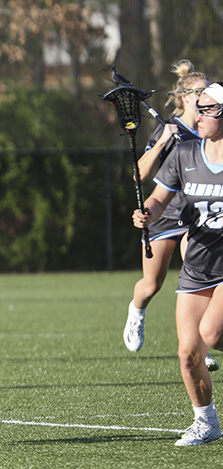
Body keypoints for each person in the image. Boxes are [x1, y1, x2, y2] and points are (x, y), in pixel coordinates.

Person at [132, 81, 223, 446]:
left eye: (207, 109)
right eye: (198, 108)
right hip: (199, 264)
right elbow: (157, 198)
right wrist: (147, 214)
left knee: (212, 334)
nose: (199, 115)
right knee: (188, 354)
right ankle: (207, 422)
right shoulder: (185, 153)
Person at [123, 59, 219, 371]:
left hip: (195, 215)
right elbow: (138, 175)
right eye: (199, 93)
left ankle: (199, 344)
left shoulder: (211, 131)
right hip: (163, 213)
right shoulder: (170, 131)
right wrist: (163, 140)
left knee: (197, 262)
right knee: (152, 284)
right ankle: (137, 310)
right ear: (184, 98)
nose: (205, 98)